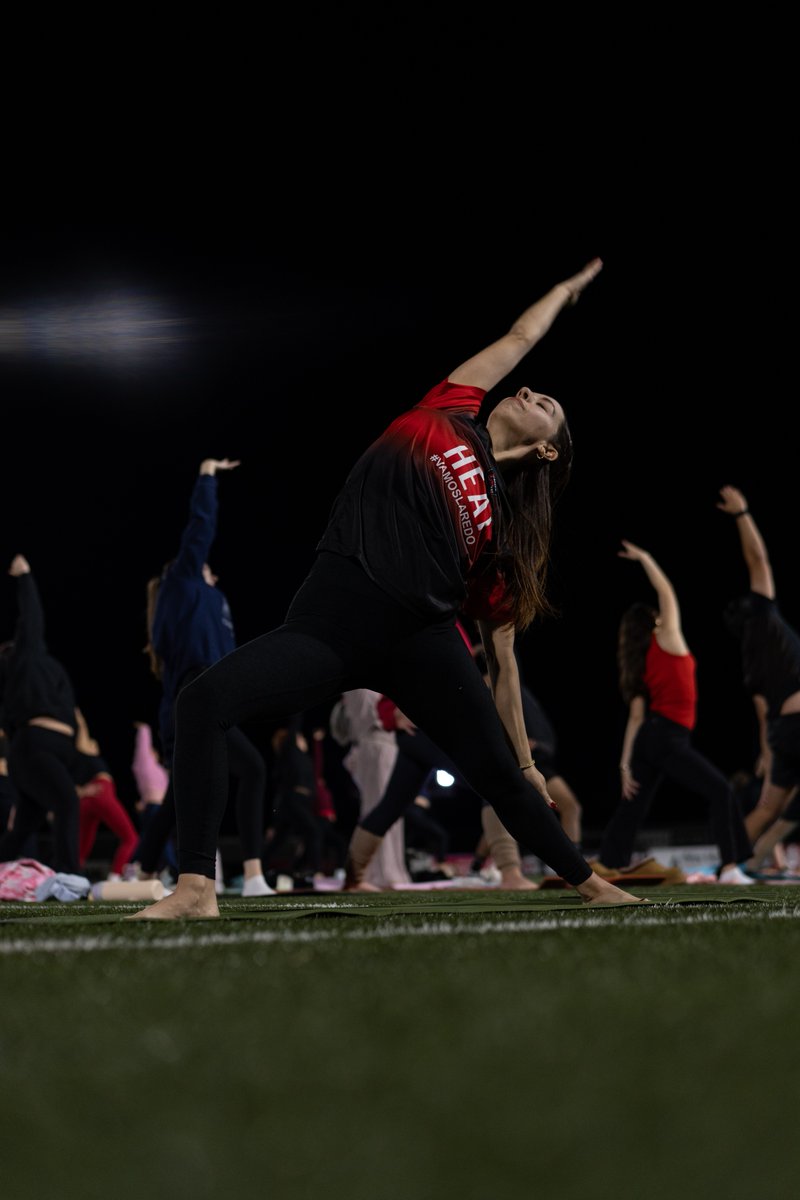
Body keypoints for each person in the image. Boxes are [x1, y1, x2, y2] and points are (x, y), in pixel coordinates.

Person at [130, 255, 647, 919]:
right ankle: (197, 889)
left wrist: (524, 758)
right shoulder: (450, 408)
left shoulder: (499, 533)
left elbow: (504, 662)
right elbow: (520, 340)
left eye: (548, 406)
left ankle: (594, 885)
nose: (530, 394)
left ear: (548, 450)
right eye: (532, 390)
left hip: (417, 640)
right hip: (329, 625)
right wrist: (563, 292)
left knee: (502, 778)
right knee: (201, 703)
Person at [137, 458, 273, 899]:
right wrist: (207, 476)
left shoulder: (210, 603)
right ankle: (253, 874)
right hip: (196, 694)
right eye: (205, 565)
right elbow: (200, 527)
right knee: (250, 769)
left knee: (182, 795)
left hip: (208, 693)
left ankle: (139, 873)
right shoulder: (183, 586)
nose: (213, 569)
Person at [593, 540, 753, 884]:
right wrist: (647, 557)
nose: (665, 615)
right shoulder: (667, 636)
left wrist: (625, 765)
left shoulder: (639, 663)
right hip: (666, 736)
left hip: (650, 738)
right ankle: (730, 868)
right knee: (721, 790)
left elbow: (636, 718)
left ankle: (608, 863)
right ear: (653, 622)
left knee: (633, 806)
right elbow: (666, 589)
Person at [717, 484, 800, 865]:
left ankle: (730, 864)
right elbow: (759, 561)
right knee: (775, 811)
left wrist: (767, 753)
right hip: (796, 723)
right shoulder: (765, 621)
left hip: (782, 736)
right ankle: (757, 855)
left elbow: (763, 708)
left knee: (769, 807)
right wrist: (742, 514)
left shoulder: (751, 658)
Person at [0, 555, 85, 874]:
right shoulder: (24, 657)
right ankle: (70, 877)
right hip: (36, 749)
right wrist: (25, 577)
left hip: (39, 753)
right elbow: (31, 619)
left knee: (22, 828)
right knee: (67, 804)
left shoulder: (43, 672)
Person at [333, 689, 413, 889]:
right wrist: (392, 718)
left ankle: (385, 870)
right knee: (380, 809)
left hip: (383, 743)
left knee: (388, 810)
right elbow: (368, 718)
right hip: (376, 745)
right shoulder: (360, 688)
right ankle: (378, 872)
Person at [72, 707, 140, 881]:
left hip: (87, 801)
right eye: (91, 741)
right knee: (131, 838)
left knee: (82, 847)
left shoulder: (79, 763)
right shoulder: (85, 752)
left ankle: (70, 877)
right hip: (102, 794)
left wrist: (81, 791)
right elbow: (82, 731)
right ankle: (115, 875)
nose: (94, 743)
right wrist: (76, 713)